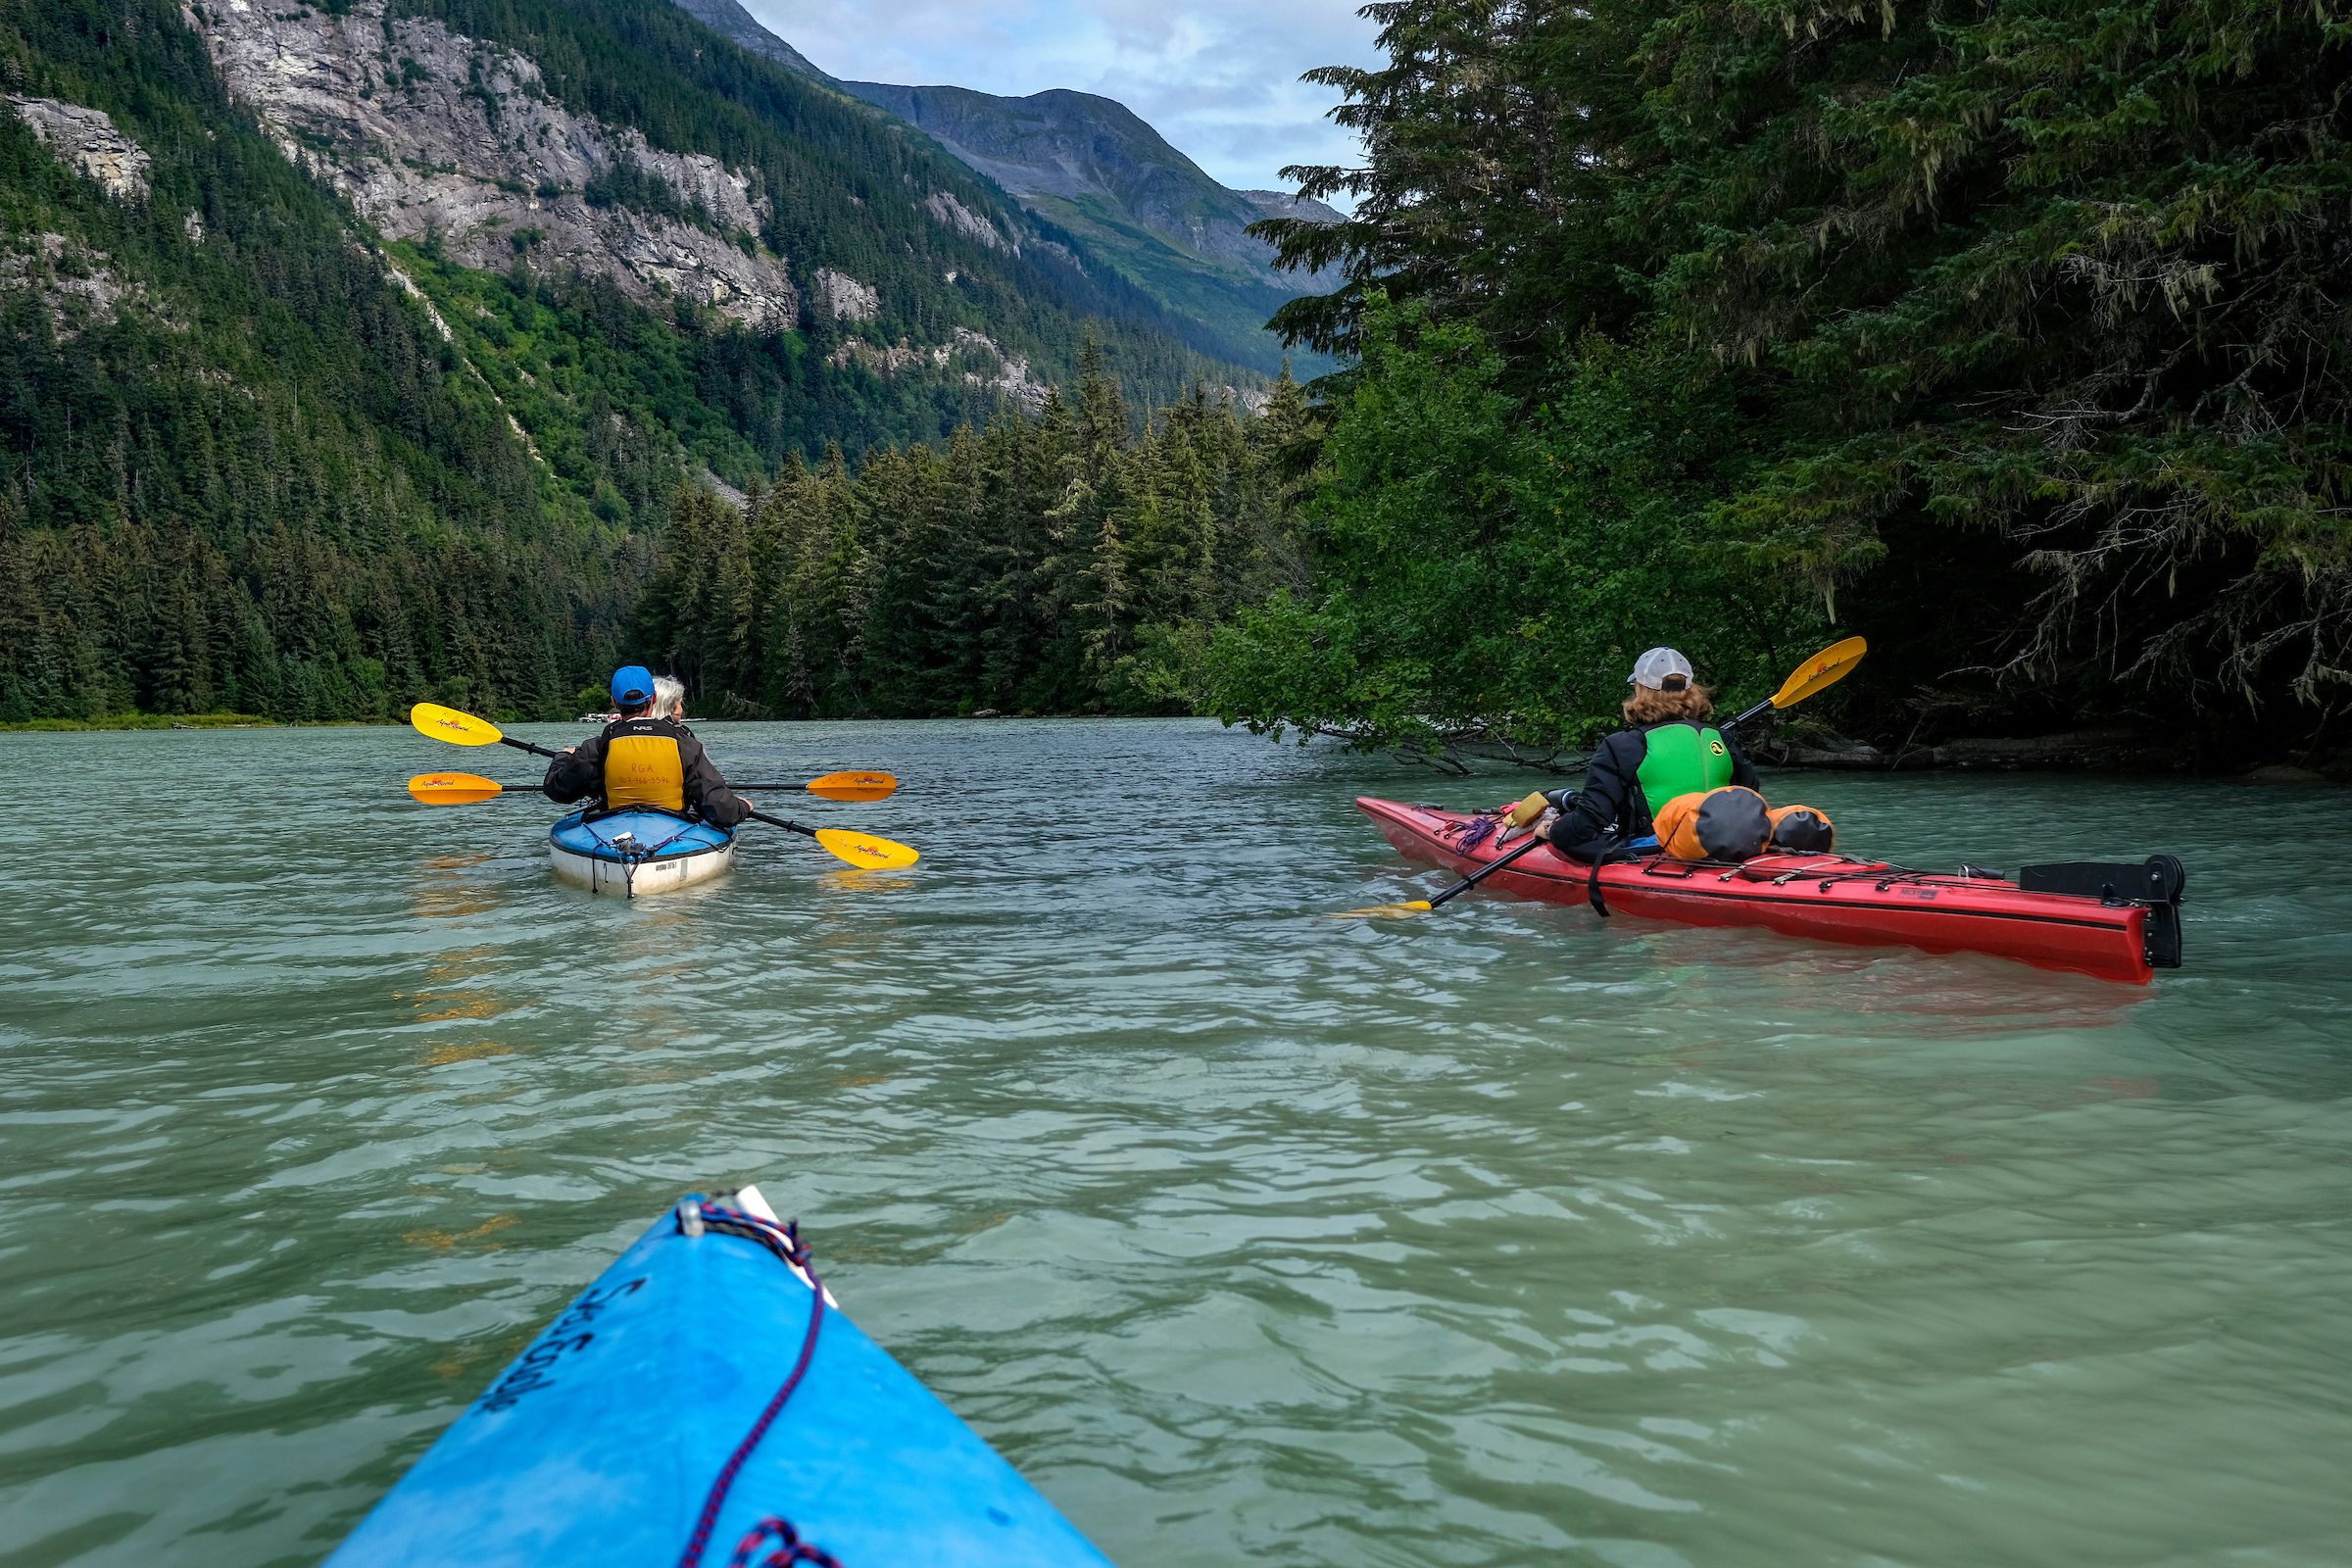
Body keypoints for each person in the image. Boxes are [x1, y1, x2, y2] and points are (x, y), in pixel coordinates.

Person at [1502, 647, 1763, 861]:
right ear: (1690, 689)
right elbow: (1749, 796)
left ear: (1641, 689)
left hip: (1654, 848)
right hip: (1725, 842)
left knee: (1571, 841)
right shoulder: (1720, 737)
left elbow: (1591, 820)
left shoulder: (1624, 745)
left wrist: (1553, 831)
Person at [544, 665, 750, 828]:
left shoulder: (598, 747)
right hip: (673, 825)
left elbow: (558, 790)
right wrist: (743, 807)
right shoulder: (686, 745)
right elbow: (723, 812)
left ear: (614, 702)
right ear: (653, 699)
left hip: (614, 827)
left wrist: (562, 757)